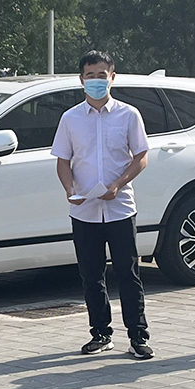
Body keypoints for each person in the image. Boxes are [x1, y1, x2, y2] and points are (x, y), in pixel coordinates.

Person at [52, 52, 153, 359]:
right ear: (81, 80)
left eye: (101, 75)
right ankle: (100, 333)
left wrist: (118, 184)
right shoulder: (70, 119)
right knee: (91, 275)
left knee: (128, 273)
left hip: (120, 207)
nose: (96, 81)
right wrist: (70, 189)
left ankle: (138, 336)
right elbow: (63, 161)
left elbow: (141, 157)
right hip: (84, 210)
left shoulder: (128, 115)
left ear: (112, 77)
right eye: (90, 75)